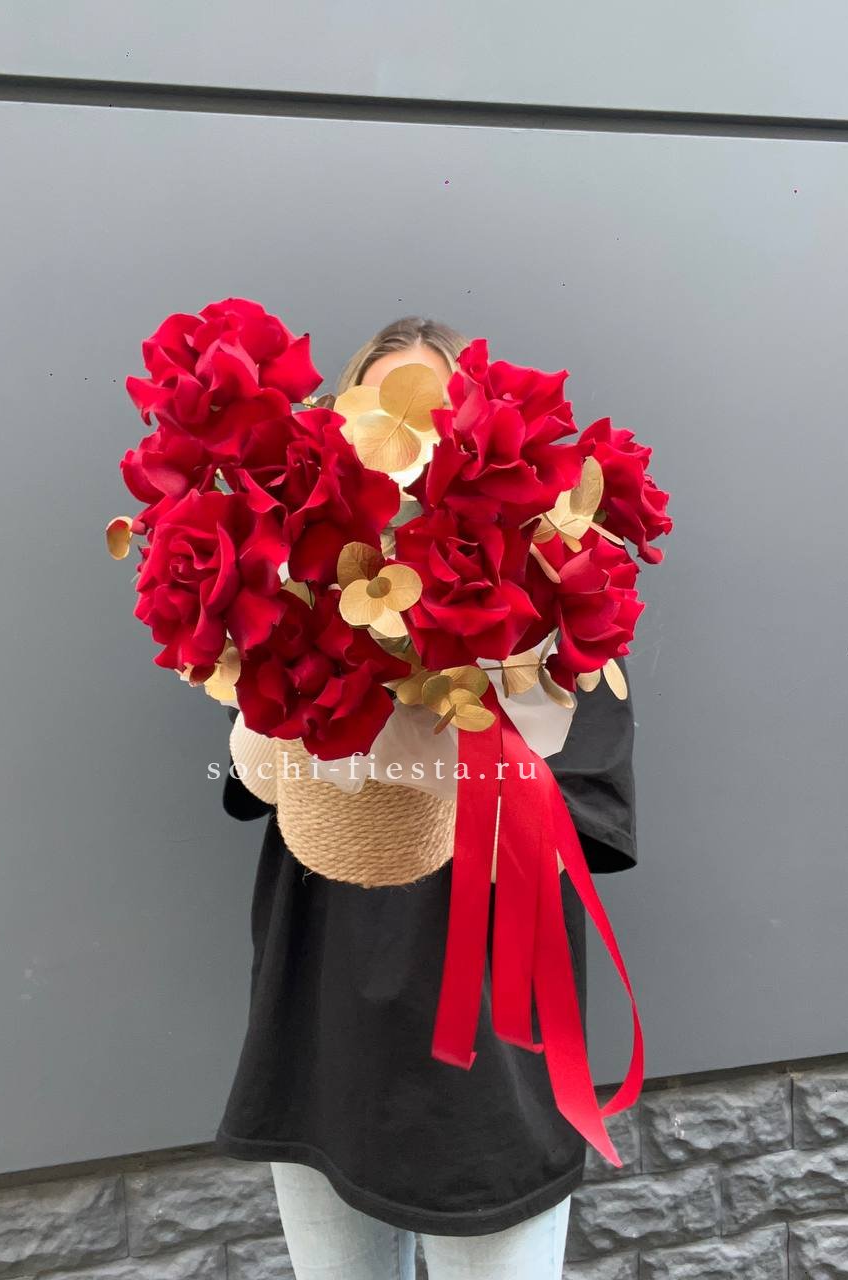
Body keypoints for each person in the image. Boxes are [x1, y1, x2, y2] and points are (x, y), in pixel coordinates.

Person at [214, 317, 639, 1279]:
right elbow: (252, 786)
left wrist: (463, 705)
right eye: (378, 407)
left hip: (484, 1048)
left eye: (438, 411)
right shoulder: (302, 592)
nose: (406, 436)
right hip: (320, 1022)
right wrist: (277, 685)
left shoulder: (554, 605)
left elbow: (584, 818)